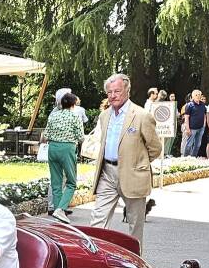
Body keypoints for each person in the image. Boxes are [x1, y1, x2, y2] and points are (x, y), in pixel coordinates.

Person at [90, 73, 162, 245]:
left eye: (117, 91)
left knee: (135, 225)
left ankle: (135, 264)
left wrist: (137, 163)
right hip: (107, 173)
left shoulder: (142, 116)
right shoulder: (104, 115)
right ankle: (96, 261)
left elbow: (155, 148)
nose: (113, 95)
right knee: (97, 222)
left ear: (127, 91)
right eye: (109, 92)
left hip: (133, 175)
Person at [42, 91, 84, 223]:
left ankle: (57, 210)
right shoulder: (74, 116)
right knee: (71, 182)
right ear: (73, 104)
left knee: (56, 182)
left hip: (52, 148)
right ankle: (61, 209)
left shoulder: (53, 116)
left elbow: (46, 134)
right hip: (67, 149)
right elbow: (81, 137)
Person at [183, 90, 207, 157]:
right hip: (192, 128)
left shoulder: (203, 105)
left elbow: (205, 115)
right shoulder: (189, 105)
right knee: (189, 144)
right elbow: (186, 117)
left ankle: (193, 158)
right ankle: (185, 159)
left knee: (198, 145)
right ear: (193, 96)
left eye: (199, 94)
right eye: (196, 95)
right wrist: (187, 128)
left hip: (201, 128)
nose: (198, 96)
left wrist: (204, 125)